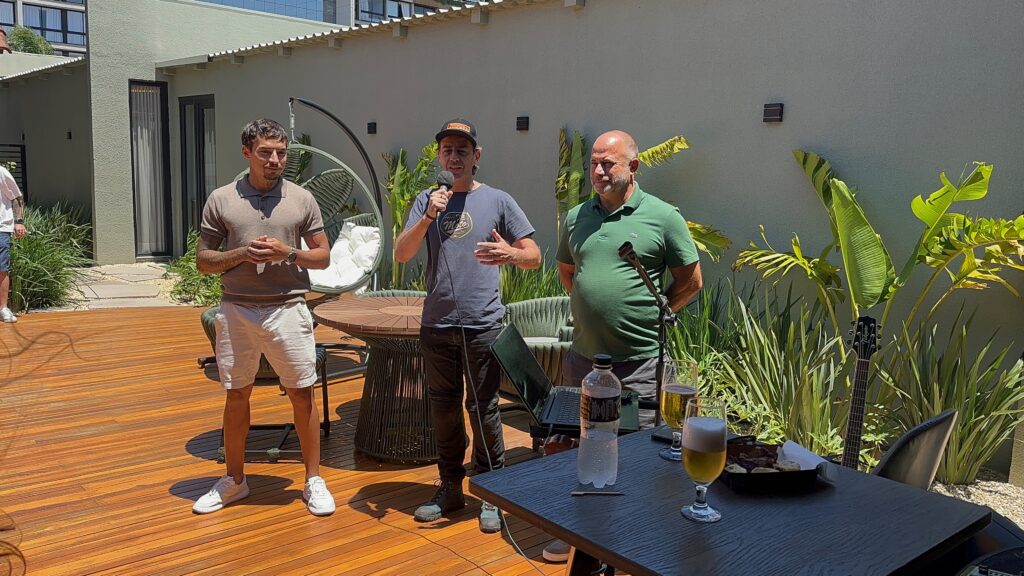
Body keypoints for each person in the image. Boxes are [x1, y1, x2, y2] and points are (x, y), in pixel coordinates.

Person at [545, 130, 701, 561]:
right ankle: (579, 535)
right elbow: (568, 272)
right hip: (583, 359)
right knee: (581, 446)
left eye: (607, 163)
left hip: (640, 363)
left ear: (633, 167)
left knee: (636, 453)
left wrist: (656, 313)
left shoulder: (663, 217)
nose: (598, 171)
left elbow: (691, 281)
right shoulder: (577, 216)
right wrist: (595, 304)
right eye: (593, 163)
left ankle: (634, 542)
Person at [395, 118, 541, 533]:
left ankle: (491, 490)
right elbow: (402, 254)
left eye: (462, 150)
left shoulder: (498, 200)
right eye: (447, 150)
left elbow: (534, 256)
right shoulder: (426, 200)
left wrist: (511, 253)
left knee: (483, 408)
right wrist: (427, 217)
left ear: (476, 157)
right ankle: (450, 487)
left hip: (483, 324)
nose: (454, 157)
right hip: (437, 323)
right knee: (443, 408)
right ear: (439, 156)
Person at [191, 118, 335, 516]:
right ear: (247, 153)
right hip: (237, 308)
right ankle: (235, 481)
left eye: (281, 153)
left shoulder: (302, 199)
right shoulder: (222, 199)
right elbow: (203, 261)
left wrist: (288, 253)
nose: (275, 160)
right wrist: (241, 253)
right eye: (265, 153)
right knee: (237, 393)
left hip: (288, 307)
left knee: (302, 392)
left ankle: (313, 479)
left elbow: (323, 256)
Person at [0, 164, 27, 323]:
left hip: (1, 228)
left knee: (1, 269)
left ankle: (3, 308)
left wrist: (19, 222)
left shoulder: (1, 172)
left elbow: (16, 198)